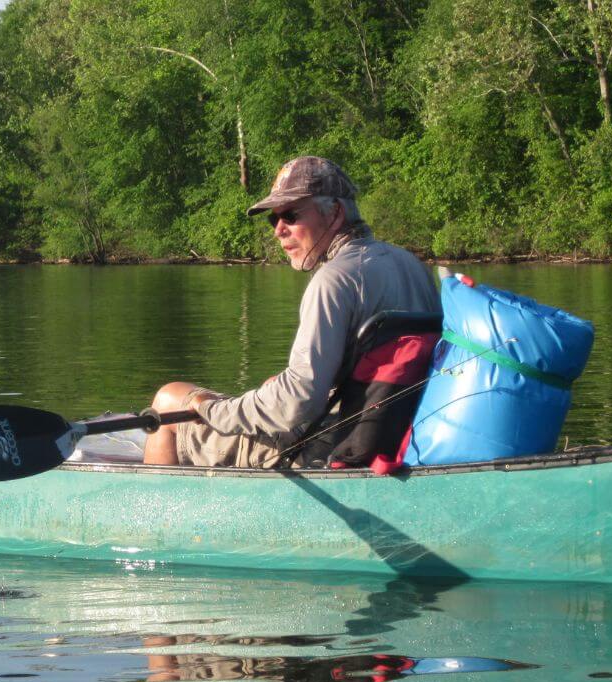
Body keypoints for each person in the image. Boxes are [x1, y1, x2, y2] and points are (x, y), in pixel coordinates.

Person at [143, 156, 441, 468]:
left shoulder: (333, 280)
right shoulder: (410, 264)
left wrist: (212, 410)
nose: (279, 231)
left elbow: (299, 400)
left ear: (336, 213)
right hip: (389, 434)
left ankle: (156, 512)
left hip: (320, 443)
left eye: (291, 216)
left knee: (169, 400)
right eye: (274, 220)